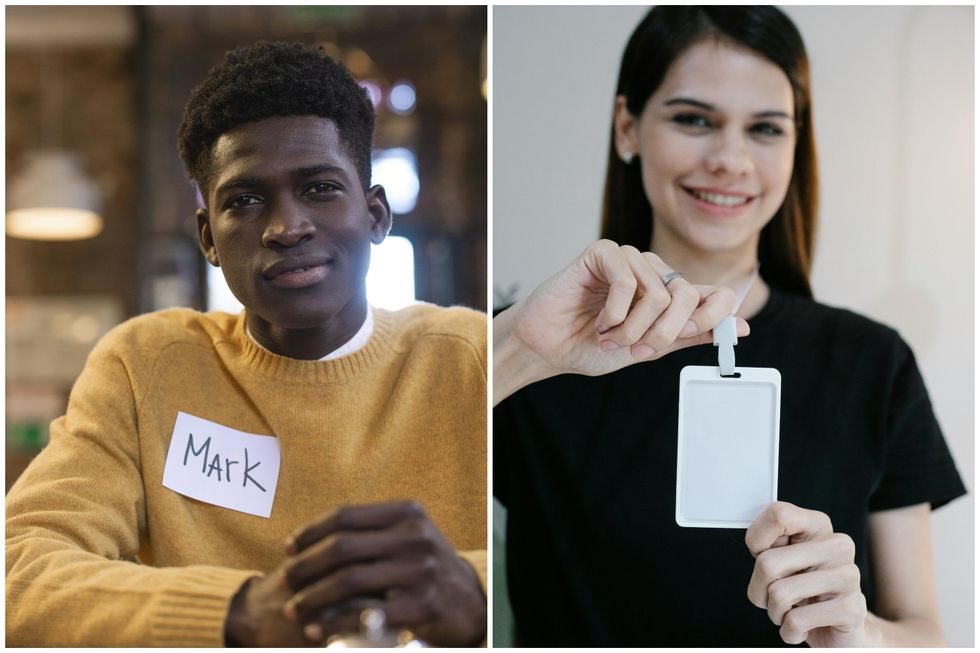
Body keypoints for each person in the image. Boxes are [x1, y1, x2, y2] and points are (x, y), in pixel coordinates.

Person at [493, 6, 965, 647]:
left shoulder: (873, 363)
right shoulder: (531, 343)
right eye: (694, 119)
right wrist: (518, 348)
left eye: (766, 129)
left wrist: (862, 634)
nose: (731, 159)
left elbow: (928, 636)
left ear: (797, 148)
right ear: (627, 127)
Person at [6, 42, 487, 647]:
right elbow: (19, 572)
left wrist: (475, 589)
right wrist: (237, 611)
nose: (286, 227)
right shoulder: (147, 364)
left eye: (319, 188)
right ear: (209, 237)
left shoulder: (470, 357)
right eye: (245, 200)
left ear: (376, 215)